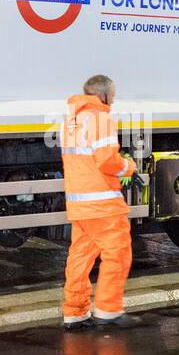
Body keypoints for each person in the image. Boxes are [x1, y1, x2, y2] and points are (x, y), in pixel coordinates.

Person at [60, 74, 139, 330]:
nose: (113, 102)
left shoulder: (70, 121)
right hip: (102, 203)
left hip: (79, 204)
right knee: (117, 252)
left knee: (80, 257)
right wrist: (129, 167)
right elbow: (107, 161)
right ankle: (108, 310)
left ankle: (75, 313)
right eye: (113, 96)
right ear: (102, 95)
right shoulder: (100, 118)